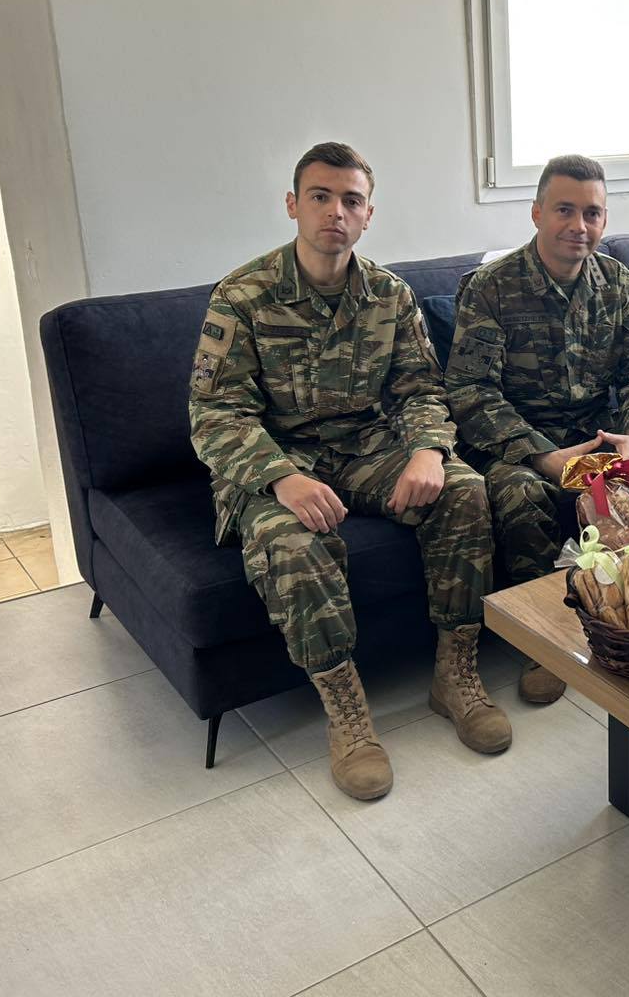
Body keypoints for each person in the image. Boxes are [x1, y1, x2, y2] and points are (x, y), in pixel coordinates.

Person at [190, 142, 502, 804]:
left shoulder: (389, 295)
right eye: (321, 197)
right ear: (293, 205)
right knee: (293, 543)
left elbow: (422, 390)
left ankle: (456, 674)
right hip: (277, 461)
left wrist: (428, 451)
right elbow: (215, 414)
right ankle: (347, 714)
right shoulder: (243, 296)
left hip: (366, 448)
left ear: (368, 215)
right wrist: (281, 478)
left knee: (465, 490)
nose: (336, 211)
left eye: (351, 200)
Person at [445, 153, 629, 701]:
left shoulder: (615, 281)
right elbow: (471, 393)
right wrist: (544, 456)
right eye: (564, 210)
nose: (579, 225)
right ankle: (544, 638)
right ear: (537, 212)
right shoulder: (492, 287)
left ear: (604, 219)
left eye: (592, 213)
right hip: (522, 443)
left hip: (599, 434)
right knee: (519, 493)